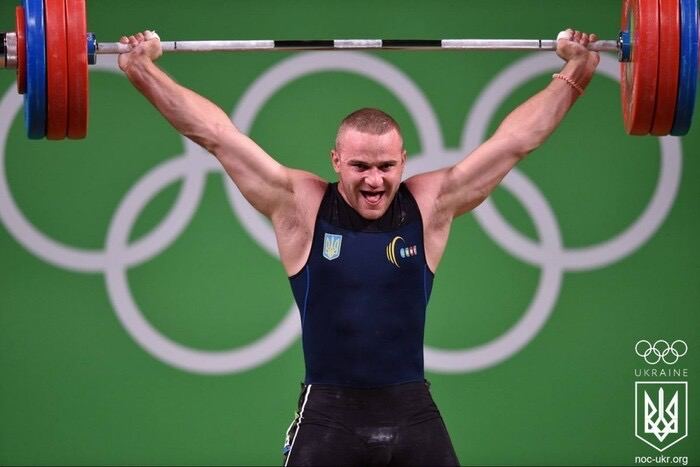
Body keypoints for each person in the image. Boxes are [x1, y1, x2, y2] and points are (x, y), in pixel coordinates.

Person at [118, 28, 600, 466]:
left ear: (404, 161)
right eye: (360, 166)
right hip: (328, 419)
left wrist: (575, 73)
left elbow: (514, 142)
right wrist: (143, 71)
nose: (374, 180)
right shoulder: (301, 206)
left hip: (413, 414)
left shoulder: (429, 205)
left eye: (386, 166)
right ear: (336, 160)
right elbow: (217, 137)